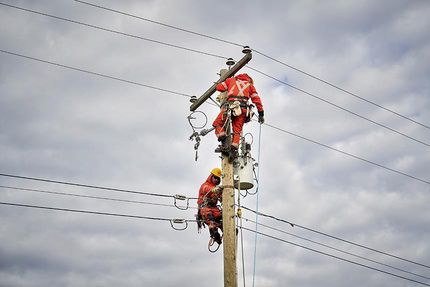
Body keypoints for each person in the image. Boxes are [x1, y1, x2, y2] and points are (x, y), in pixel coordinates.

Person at [213, 73, 264, 155]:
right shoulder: (250, 85)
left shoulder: (231, 80)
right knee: (237, 130)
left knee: (217, 123)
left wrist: (219, 83)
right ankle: (233, 148)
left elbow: (219, 87)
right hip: (243, 110)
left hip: (230, 107)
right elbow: (256, 99)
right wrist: (261, 113)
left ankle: (223, 139)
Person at [197, 168, 223, 245]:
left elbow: (221, 198)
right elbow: (205, 189)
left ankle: (229, 230)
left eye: (218, 178)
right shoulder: (205, 185)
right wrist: (213, 189)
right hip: (205, 208)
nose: (216, 180)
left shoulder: (217, 189)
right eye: (215, 177)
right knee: (211, 221)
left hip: (214, 208)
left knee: (222, 220)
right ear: (211, 176)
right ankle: (215, 235)